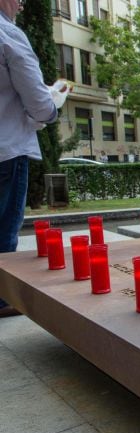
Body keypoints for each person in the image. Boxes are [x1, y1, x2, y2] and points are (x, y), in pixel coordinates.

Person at [0, 0, 60, 318]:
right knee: (4, 225)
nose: (22, 6)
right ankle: (0, 296)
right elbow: (37, 101)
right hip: (7, 147)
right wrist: (52, 106)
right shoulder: (8, 35)